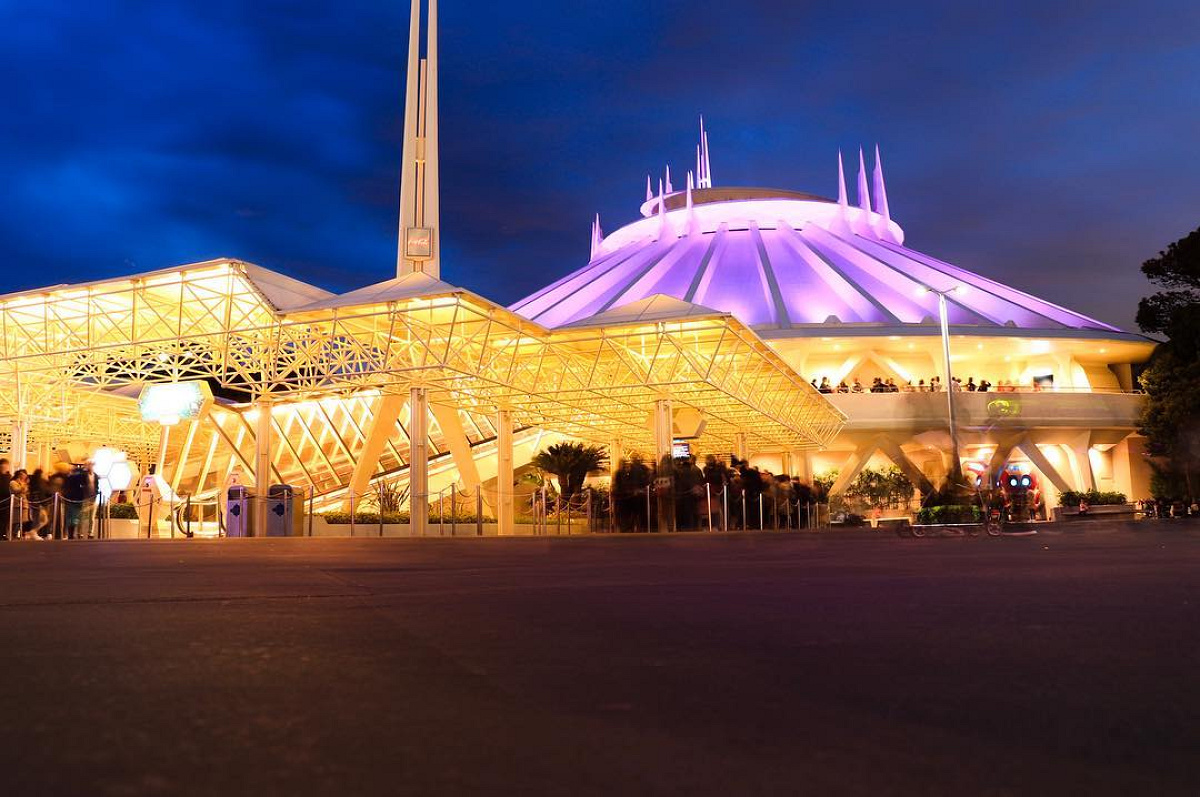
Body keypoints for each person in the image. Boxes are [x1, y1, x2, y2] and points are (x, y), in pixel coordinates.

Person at [0, 458, 10, 540]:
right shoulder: (5, 477)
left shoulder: (8, 476)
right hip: (3, 500)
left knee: (5, 519)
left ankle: (3, 534)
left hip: (6, 502)